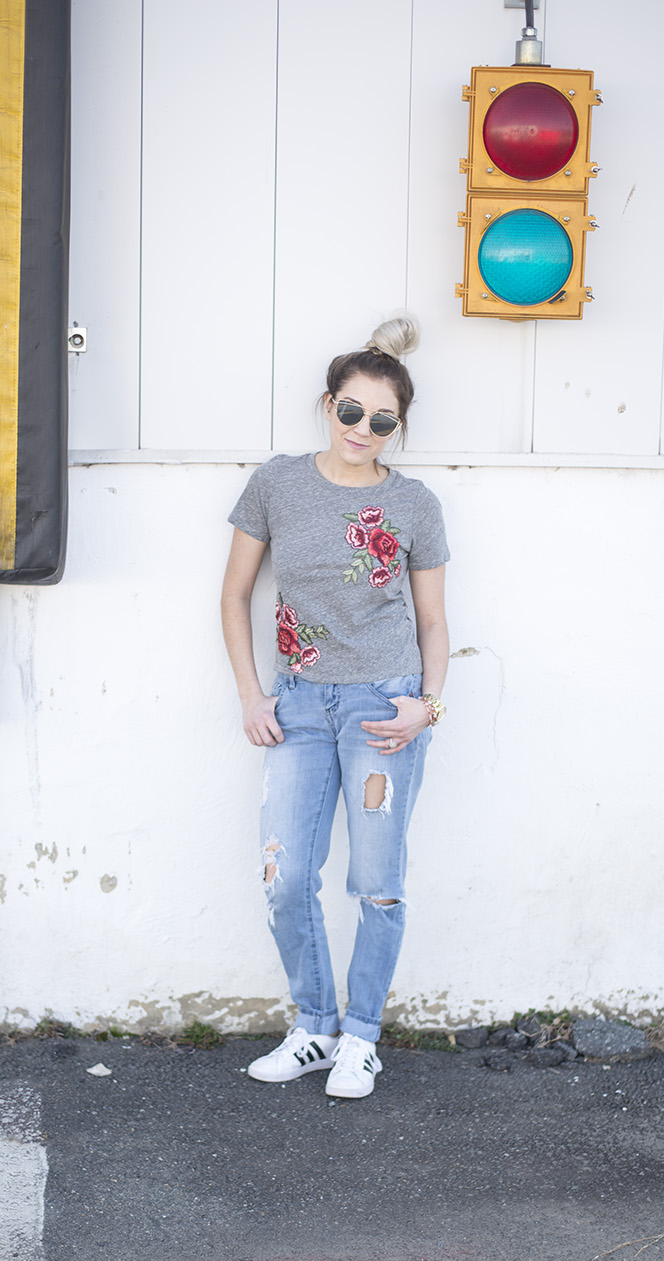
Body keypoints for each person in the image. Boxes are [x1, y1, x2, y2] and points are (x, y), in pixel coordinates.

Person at [220, 314, 449, 1099]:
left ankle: (361, 1038)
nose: (363, 428)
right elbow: (236, 593)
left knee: (376, 882)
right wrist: (253, 694)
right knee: (286, 876)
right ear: (328, 405)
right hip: (298, 706)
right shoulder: (278, 483)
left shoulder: (414, 504)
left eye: (381, 419)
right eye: (351, 410)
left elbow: (431, 621)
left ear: (397, 427)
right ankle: (314, 1026)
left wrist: (428, 704)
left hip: (384, 707)